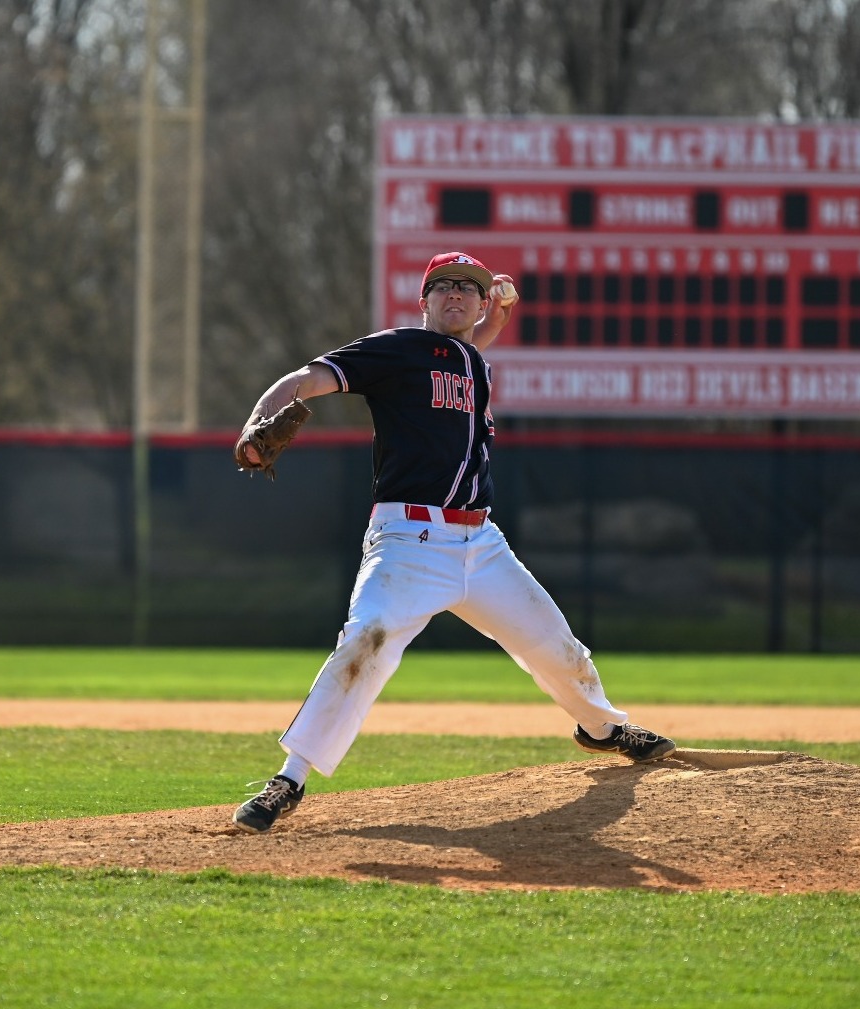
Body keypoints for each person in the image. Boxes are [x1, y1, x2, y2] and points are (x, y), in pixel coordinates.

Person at [229, 251, 676, 833]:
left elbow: (474, 340)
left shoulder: (471, 360)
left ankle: (601, 729)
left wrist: (500, 313)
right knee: (366, 640)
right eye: (444, 287)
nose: (457, 295)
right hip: (408, 541)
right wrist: (259, 419)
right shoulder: (396, 350)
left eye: (470, 288)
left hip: (482, 545)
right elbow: (308, 379)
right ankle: (288, 780)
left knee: (555, 644)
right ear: (425, 300)